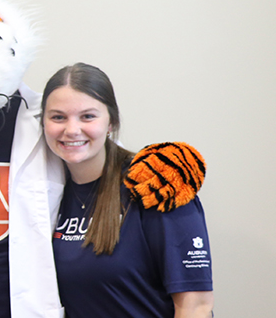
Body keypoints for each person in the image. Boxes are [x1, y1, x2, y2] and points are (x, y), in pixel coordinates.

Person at [41, 63, 214, 318]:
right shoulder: (44, 194)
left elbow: (195, 305)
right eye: (58, 117)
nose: (72, 130)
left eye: (88, 116)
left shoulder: (156, 183)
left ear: (111, 122)